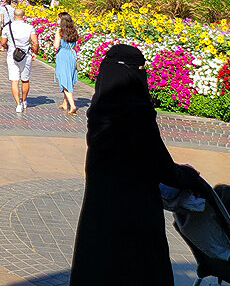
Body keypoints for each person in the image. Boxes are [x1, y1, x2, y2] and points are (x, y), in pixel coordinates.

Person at [70, 44, 198, 285]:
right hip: (135, 210)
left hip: (100, 207)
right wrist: (188, 176)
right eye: (140, 69)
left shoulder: (99, 111)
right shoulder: (137, 114)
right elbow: (161, 165)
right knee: (138, 267)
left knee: (99, 263)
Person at [0, 6, 38, 112]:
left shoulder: (8, 27)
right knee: (25, 79)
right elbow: (35, 42)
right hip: (26, 55)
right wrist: (35, 52)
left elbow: (3, 42)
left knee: (14, 80)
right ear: (23, 16)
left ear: (14, 16)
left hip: (12, 55)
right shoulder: (29, 27)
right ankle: (24, 101)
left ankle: (18, 104)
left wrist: (8, 48)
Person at [53, 11, 79, 115]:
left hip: (63, 55)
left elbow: (56, 45)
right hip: (72, 55)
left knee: (65, 79)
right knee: (69, 77)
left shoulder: (60, 31)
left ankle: (72, 105)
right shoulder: (73, 30)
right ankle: (65, 103)